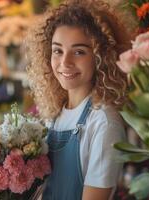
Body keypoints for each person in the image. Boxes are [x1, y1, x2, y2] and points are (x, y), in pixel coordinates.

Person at [25, 0, 131, 199]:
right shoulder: (54, 115)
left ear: (101, 57)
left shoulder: (103, 122)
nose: (65, 62)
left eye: (79, 52)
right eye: (58, 50)